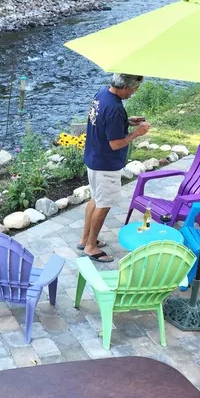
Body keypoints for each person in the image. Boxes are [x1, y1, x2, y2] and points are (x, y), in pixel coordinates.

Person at [79, 73, 150, 262]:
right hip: (106, 164)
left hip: (93, 157)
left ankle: (85, 239)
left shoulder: (102, 94)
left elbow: (104, 121)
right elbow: (116, 144)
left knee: (96, 199)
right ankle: (91, 247)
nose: (134, 93)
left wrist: (127, 121)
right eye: (134, 89)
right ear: (125, 87)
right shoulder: (116, 108)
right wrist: (137, 133)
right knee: (103, 205)